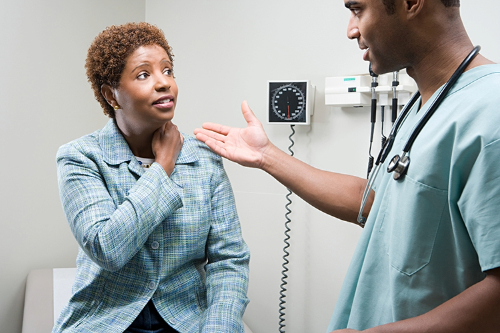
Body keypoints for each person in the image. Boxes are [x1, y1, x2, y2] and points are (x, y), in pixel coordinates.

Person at [194, 0, 500, 332]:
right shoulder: (426, 103)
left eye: (357, 9)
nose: (351, 30)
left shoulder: (490, 114)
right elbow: (375, 204)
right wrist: (267, 155)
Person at [54, 22, 250, 333]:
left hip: (188, 322)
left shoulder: (205, 158)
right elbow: (108, 249)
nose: (164, 83)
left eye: (168, 70)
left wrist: (218, 328)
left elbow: (229, 261)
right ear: (111, 95)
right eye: (144, 74)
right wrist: (163, 167)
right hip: (105, 322)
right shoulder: (80, 157)